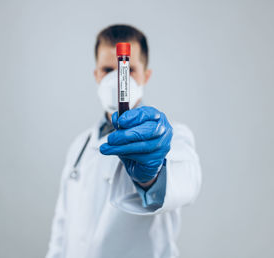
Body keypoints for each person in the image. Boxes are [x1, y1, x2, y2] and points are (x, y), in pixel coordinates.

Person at [46, 24, 202, 258]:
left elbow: (187, 182)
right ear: (97, 75)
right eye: (108, 70)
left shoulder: (170, 136)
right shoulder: (79, 146)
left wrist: (152, 177)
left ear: (145, 76)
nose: (118, 78)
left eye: (127, 70)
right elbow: (62, 227)